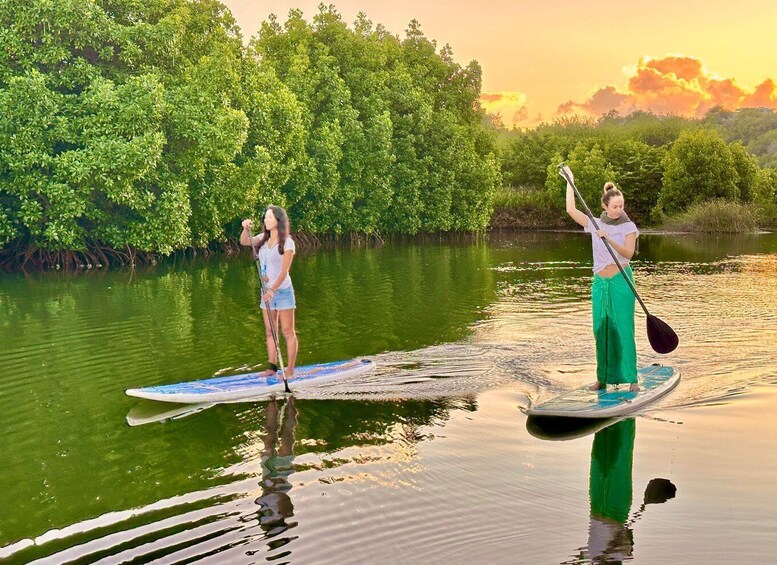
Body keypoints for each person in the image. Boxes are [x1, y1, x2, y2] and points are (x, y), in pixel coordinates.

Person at [562, 166, 640, 392]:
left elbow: (628, 254)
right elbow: (570, 210)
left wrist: (608, 238)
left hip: (621, 281)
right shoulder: (595, 223)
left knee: (623, 328)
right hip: (600, 284)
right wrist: (570, 181)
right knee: (601, 329)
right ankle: (602, 378)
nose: (619, 210)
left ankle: (632, 379)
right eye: (614, 206)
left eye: (621, 206)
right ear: (604, 206)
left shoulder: (629, 226)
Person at [240, 206, 298, 380]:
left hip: (283, 291)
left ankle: (290, 370)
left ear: (278, 221)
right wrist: (245, 228)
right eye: (265, 217)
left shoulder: (287, 242)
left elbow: (284, 271)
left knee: (287, 331)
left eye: (269, 217)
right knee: (269, 331)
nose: (266, 220)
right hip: (266, 293)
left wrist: (273, 289)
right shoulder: (263, 240)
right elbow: (245, 242)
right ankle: (272, 367)